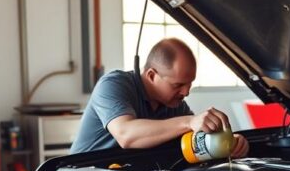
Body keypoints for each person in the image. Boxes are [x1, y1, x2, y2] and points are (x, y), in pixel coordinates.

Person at [70, 37, 249, 156]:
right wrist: (188, 122)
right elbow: (126, 135)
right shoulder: (113, 85)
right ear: (151, 75)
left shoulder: (175, 105)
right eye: (178, 85)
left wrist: (229, 143)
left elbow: (195, 143)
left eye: (189, 84)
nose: (186, 93)